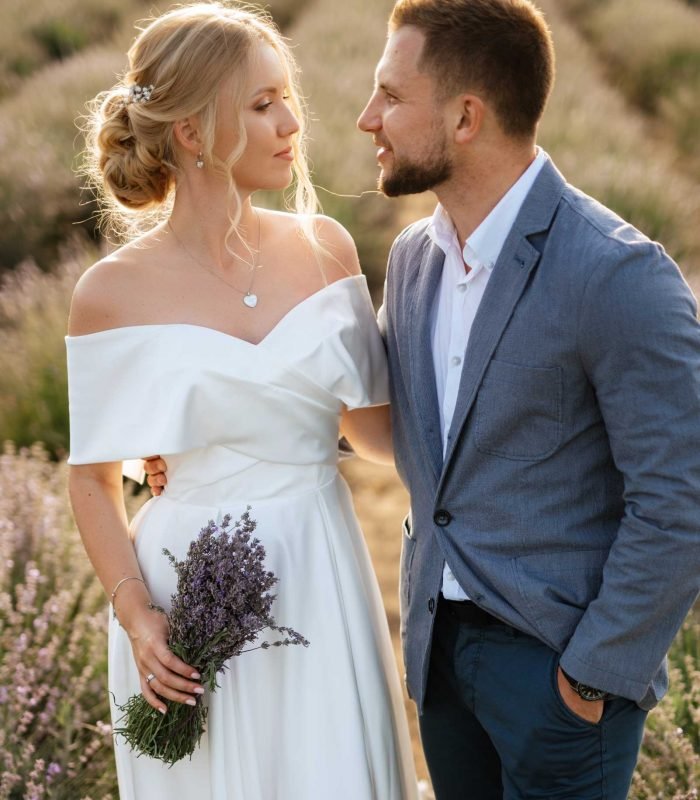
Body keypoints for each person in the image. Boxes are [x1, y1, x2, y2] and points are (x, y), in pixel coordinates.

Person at [66, 3, 418, 798]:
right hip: (184, 597)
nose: (293, 120)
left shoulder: (325, 248)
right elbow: (92, 479)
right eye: (263, 105)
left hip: (319, 569)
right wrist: (138, 618)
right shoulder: (108, 294)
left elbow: (372, 432)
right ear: (191, 132)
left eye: (286, 96)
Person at [353, 0, 700, 797]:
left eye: (392, 96)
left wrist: (590, 680)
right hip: (439, 664)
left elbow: (679, 498)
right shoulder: (413, 259)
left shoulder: (617, 275)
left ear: (466, 116)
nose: (369, 118)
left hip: (557, 679)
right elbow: (389, 419)